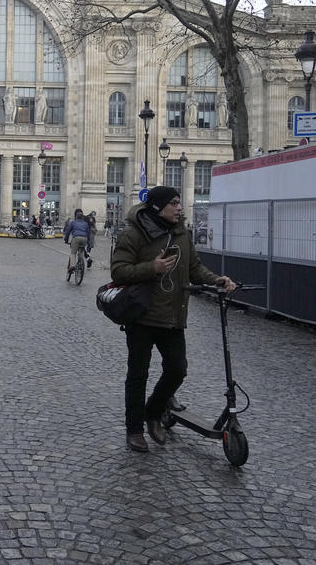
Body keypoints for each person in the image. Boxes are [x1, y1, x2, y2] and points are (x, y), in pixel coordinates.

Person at [110, 186, 236, 454]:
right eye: (174, 203)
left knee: (177, 370)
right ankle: (134, 431)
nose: (180, 208)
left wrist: (217, 280)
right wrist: (151, 268)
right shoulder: (133, 234)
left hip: (172, 316)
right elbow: (119, 271)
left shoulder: (181, 234)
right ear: (158, 207)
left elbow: (194, 268)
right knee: (137, 376)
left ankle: (153, 411)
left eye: (179, 203)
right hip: (142, 315)